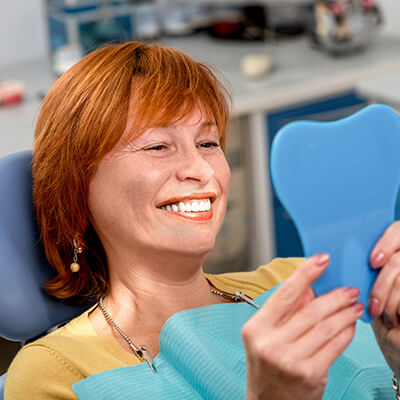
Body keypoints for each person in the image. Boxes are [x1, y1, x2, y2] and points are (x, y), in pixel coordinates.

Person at [4, 41, 400, 400]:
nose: (201, 170)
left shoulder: (304, 284)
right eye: (158, 146)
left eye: (208, 143)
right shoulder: (54, 374)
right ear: (78, 186)